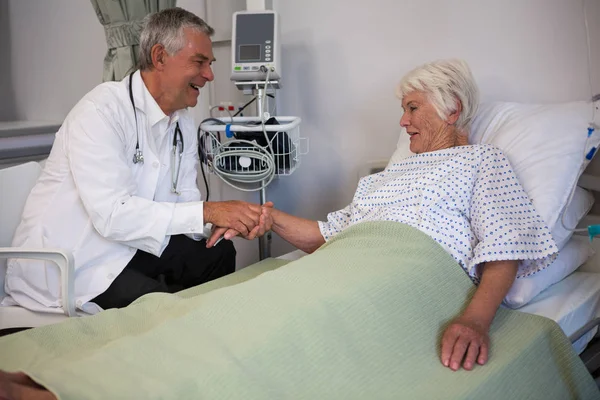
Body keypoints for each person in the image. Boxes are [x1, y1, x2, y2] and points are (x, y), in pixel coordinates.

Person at [208, 59, 558, 372]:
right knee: (239, 312)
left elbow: (504, 245)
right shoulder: (384, 178)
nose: (403, 121)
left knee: (282, 333)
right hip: (347, 264)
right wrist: (269, 217)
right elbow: (328, 236)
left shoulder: (483, 161)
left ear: (452, 109)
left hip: (405, 273)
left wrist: (475, 320)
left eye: (413, 107)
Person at [3, 8, 270, 314]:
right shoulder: (101, 111)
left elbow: (186, 200)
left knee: (218, 253)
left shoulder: (182, 120)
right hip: (77, 260)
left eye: (210, 64)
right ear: (159, 58)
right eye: (199, 62)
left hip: (131, 245)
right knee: (158, 305)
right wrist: (210, 211)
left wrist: (224, 222)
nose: (209, 75)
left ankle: (201, 339)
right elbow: (113, 215)